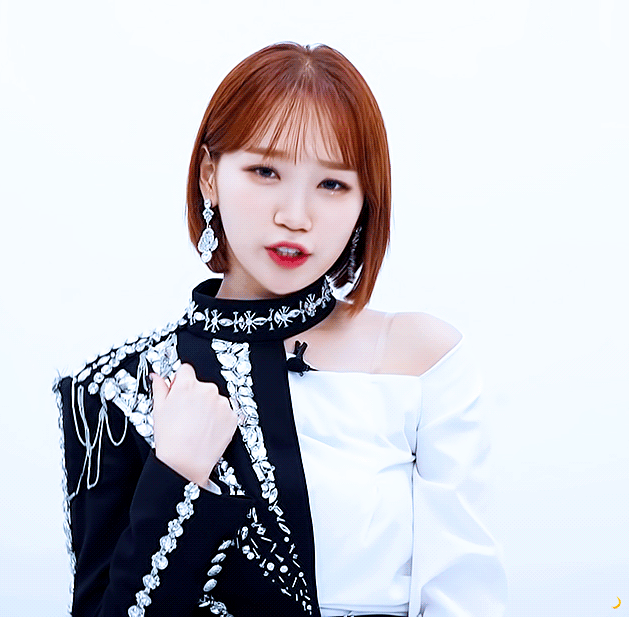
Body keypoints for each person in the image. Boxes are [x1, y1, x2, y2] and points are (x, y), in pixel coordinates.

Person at [54, 42, 506, 617]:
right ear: (210, 176)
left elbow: (466, 594)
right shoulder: (117, 388)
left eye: (332, 184)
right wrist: (179, 475)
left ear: (365, 204)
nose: (295, 215)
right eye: (265, 171)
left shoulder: (423, 361)